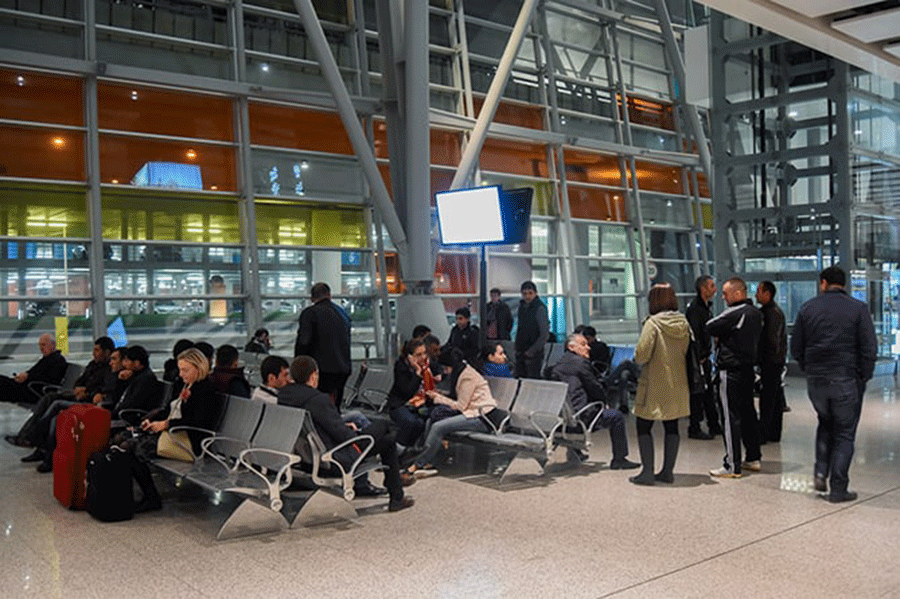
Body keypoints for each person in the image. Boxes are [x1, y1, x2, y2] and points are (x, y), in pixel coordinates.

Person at [279, 356, 415, 512]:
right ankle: (398, 487)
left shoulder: (285, 396)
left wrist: (346, 428)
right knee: (385, 430)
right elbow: (342, 435)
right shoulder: (318, 399)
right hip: (335, 458)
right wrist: (356, 434)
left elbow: (325, 426)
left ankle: (398, 470)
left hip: (308, 458)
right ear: (313, 376)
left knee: (385, 438)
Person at [791, 266, 877, 503]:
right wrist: (864, 376)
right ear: (844, 284)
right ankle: (838, 488)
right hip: (846, 379)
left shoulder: (807, 308)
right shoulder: (858, 309)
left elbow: (796, 347)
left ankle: (821, 471)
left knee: (825, 422)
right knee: (844, 434)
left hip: (816, 381)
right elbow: (869, 348)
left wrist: (809, 368)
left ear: (823, 283)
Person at [629, 284, 691, 485]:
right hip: (678, 383)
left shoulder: (653, 323)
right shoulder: (683, 323)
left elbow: (642, 355)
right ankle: (667, 472)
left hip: (654, 384)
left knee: (643, 425)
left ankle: (647, 472)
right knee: (671, 426)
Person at [549, 334, 639, 469]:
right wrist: (604, 403)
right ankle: (619, 459)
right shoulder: (580, 364)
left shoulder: (558, 365)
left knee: (574, 407)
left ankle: (576, 452)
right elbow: (595, 388)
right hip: (581, 418)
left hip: (563, 419)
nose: (588, 347)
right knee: (616, 416)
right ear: (571, 347)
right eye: (583, 344)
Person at [6, 336, 113, 448]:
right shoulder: (93, 365)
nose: (93, 353)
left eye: (97, 350)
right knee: (49, 398)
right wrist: (78, 388)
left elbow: (105, 389)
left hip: (88, 400)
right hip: (77, 395)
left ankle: (31, 438)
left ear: (106, 352)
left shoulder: (109, 369)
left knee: (55, 405)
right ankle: (26, 435)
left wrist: (87, 391)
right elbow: (80, 380)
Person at [406, 347, 497, 477]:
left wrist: (438, 398)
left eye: (446, 368)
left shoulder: (468, 377)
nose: (445, 371)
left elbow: (461, 406)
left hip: (482, 417)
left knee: (438, 427)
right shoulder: (460, 373)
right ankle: (429, 462)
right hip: (471, 413)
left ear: (452, 366)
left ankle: (418, 464)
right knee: (431, 421)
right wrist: (440, 395)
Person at [706, 277, 763, 478]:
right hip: (748, 370)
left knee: (730, 418)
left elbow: (709, 325)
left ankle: (732, 465)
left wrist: (722, 336)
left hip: (730, 371)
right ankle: (753, 457)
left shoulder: (735, 312)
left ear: (738, 293)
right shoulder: (756, 313)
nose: (723, 297)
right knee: (748, 414)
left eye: (726, 293)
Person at [140, 347, 220, 457]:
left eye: (185, 370)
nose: (181, 374)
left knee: (135, 447)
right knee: (129, 442)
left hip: (190, 442)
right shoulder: (182, 385)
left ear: (199, 368)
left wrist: (167, 424)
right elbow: (169, 410)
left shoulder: (206, 390)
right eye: (180, 370)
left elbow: (197, 421)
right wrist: (152, 421)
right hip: (173, 436)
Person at [294, 282, 352, 410]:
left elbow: (304, 342)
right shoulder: (343, 314)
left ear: (312, 298)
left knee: (316, 408)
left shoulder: (310, 313)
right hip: (342, 369)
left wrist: (298, 366)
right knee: (334, 408)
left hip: (320, 371)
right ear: (329, 295)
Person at [685, 275, 721, 439]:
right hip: (698, 358)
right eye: (711, 286)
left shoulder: (706, 308)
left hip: (704, 356)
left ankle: (713, 424)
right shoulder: (695, 309)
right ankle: (695, 426)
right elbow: (694, 334)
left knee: (707, 392)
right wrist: (699, 355)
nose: (715, 289)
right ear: (703, 289)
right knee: (698, 392)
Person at [756, 280, 787, 444]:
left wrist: (762, 358)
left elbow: (772, 340)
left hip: (771, 362)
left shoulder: (772, 314)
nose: (756, 295)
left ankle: (764, 433)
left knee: (768, 400)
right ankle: (773, 432)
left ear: (767, 294)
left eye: (759, 291)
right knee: (773, 399)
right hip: (774, 361)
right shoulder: (771, 312)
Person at [386, 339, 430, 449]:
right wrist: (417, 373)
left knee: (420, 423)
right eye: (419, 355)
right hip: (399, 405)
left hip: (417, 406)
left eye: (424, 353)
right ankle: (396, 448)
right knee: (409, 422)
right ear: (410, 357)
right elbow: (407, 391)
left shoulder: (426, 365)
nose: (423, 357)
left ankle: (408, 449)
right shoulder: (401, 367)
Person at [0, 333, 67, 405]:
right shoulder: (49, 358)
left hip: (33, 391)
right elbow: (35, 372)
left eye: (43, 345)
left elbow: (48, 379)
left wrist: (27, 377)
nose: (41, 348)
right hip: (29, 387)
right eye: (40, 345)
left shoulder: (57, 360)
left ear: (53, 345)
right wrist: (24, 376)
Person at [514, 280, 549, 379]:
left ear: (535, 293)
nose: (527, 296)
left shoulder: (540, 308)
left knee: (532, 380)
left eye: (530, 293)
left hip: (534, 354)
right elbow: (520, 328)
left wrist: (532, 351)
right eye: (525, 294)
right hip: (521, 351)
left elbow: (544, 333)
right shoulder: (522, 307)